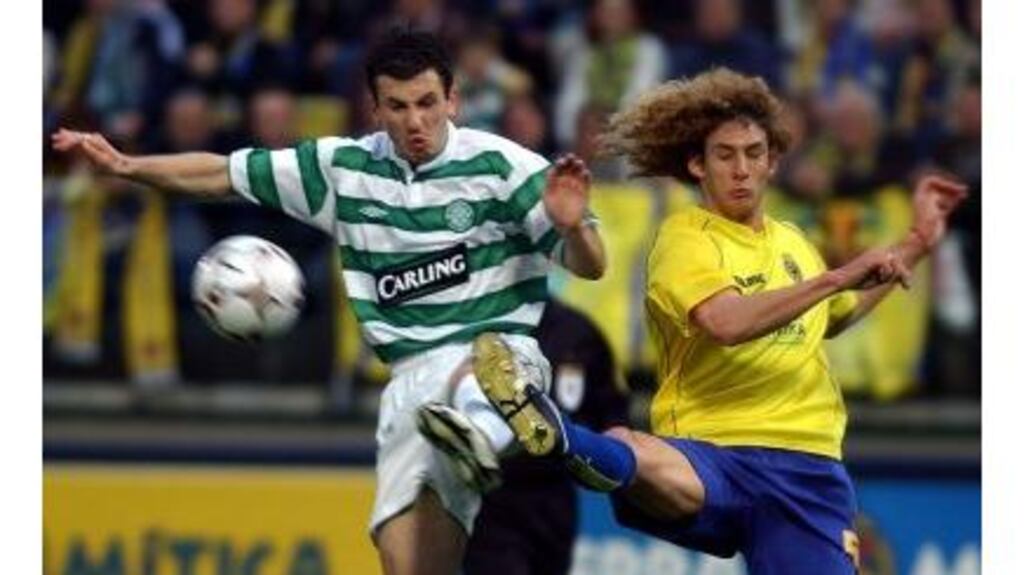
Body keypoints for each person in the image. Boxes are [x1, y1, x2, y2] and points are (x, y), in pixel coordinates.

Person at [51, 28, 607, 575]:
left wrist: (574, 228)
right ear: (374, 108)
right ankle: (475, 436)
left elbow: (593, 264)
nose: (415, 120)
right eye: (398, 106)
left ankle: (489, 421)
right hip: (409, 380)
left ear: (453, 100)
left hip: (497, 347)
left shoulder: (505, 168)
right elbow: (221, 174)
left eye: (427, 103)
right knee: (405, 562)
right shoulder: (343, 170)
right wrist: (128, 166)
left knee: (480, 369)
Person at [471, 68, 966, 574]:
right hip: (712, 453)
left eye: (754, 154)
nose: (741, 169)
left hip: (807, 468)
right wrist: (836, 278)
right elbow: (725, 323)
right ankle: (559, 435)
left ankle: (569, 441)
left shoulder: (793, 242)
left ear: (773, 162)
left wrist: (917, 243)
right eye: (725, 155)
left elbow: (837, 315)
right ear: (696, 165)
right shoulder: (685, 237)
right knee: (628, 445)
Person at [463, 298, 629, 575]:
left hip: (555, 495)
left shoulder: (578, 332)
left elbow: (613, 413)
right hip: (491, 496)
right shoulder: (473, 328)